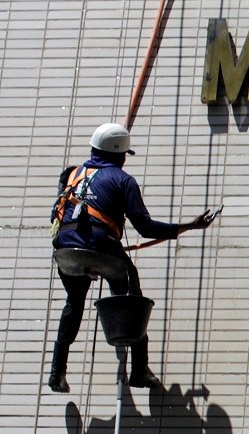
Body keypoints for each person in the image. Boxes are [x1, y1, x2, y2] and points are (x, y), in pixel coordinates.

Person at [48, 122, 218, 393]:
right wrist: (188, 226)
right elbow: (145, 227)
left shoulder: (73, 174)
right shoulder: (122, 180)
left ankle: (57, 371)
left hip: (66, 249)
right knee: (131, 294)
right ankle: (139, 369)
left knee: (74, 303)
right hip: (101, 247)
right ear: (120, 155)